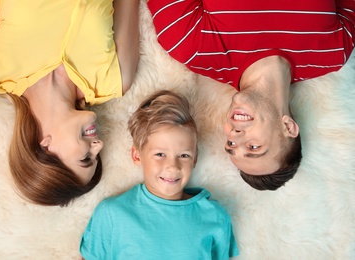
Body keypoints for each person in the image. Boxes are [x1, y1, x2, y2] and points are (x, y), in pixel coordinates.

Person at [147, 0, 355, 190]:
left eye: (230, 145)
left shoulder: (190, 47)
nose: (234, 135)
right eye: (253, 147)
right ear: (288, 127)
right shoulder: (334, 51)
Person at [0, 0, 139, 206]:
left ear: (45, 147)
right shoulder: (116, 78)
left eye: (86, 158)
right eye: (97, 156)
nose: (98, 145)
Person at [79, 90, 239, 259]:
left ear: (195, 159)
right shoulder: (111, 214)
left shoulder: (215, 216)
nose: (172, 167)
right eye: (160, 154)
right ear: (137, 155)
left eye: (184, 155)